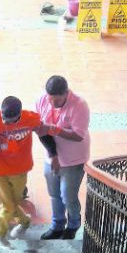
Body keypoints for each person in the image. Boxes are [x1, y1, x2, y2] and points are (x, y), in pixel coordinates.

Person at [0, 96, 58, 248]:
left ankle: (25, 222)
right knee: (7, 206)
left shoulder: (30, 118)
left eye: (11, 120)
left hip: (20, 170)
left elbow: (43, 133)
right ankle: (0, 234)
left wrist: (53, 154)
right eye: (3, 118)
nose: (6, 122)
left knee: (12, 203)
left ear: (19, 115)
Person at [35, 76, 91, 240]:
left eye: (57, 101)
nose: (52, 104)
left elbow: (79, 135)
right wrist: (52, 155)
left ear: (66, 93)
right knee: (54, 194)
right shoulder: (41, 100)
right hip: (51, 157)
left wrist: (54, 129)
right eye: (50, 99)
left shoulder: (79, 105)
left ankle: (73, 225)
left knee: (68, 196)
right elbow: (39, 130)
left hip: (74, 159)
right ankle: (57, 225)